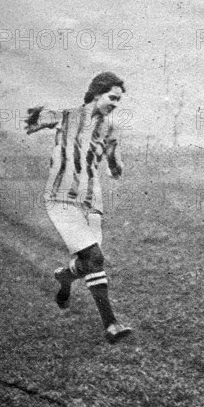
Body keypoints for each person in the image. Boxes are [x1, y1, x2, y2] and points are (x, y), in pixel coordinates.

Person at [24, 72, 133, 344]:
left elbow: (114, 162)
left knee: (88, 261)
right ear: (97, 93)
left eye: (119, 100)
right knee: (95, 257)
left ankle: (65, 277)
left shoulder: (110, 128)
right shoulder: (68, 116)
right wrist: (36, 119)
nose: (115, 104)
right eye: (112, 97)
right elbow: (36, 120)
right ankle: (111, 324)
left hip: (92, 202)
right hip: (61, 198)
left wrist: (116, 165)